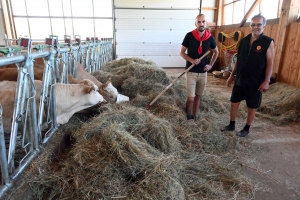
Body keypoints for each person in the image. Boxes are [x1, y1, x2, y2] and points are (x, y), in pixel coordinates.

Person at [221, 14, 275, 137]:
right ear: (250, 26)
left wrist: (266, 81)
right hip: (240, 79)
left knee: (252, 106)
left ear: (264, 25)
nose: (256, 27)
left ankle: (246, 128)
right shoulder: (244, 41)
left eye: (259, 24)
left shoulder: (268, 42)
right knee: (234, 102)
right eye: (253, 25)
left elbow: (270, 63)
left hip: (256, 81)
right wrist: (231, 76)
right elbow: (238, 61)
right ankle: (231, 124)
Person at [180, 14, 219, 120]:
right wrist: (192, 60)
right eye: (199, 22)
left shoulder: (210, 37)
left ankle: (195, 115)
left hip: (203, 73)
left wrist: (210, 65)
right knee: (191, 98)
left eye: (203, 21)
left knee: (198, 96)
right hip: (191, 71)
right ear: (195, 23)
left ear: (206, 23)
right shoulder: (189, 35)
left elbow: (216, 51)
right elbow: (182, 53)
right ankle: (188, 115)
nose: (201, 24)